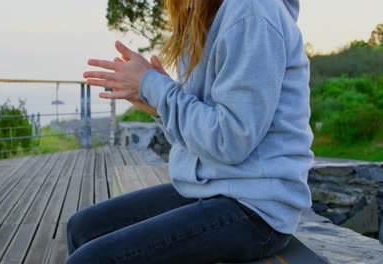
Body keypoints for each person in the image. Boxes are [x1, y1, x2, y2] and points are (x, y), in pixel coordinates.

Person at [66, 0, 314, 263]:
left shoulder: (252, 12)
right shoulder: (204, 12)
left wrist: (154, 85)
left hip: (257, 209)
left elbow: (230, 141)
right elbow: (201, 138)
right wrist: (159, 107)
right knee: (81, 229)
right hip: (213, 185)